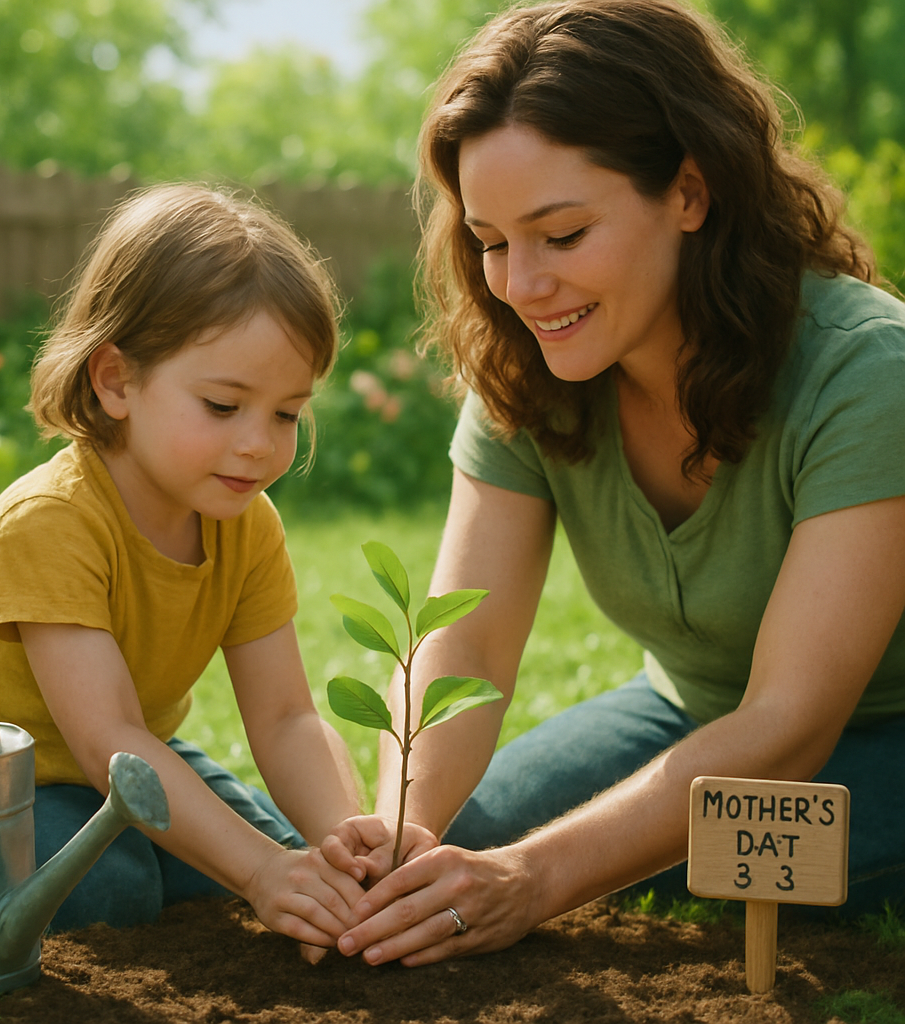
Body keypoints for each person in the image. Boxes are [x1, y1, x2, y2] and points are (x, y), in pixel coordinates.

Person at [324, 0, 905, 967]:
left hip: (877, 732)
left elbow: (789, 726)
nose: (519, 284)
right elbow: (461, 647)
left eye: (561, 234)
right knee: (470, 843)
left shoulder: (868, 374)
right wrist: (401, 835)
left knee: (645, 867)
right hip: (686, 712)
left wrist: (535, 880)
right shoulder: (529, 371)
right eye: (492, 241)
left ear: (689, 190)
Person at [0, 183, 365, 948]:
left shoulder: (246, 526)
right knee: (123, 885)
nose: (260, 443)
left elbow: (286, 718)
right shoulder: (50, 523)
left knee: (297, 861)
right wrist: (256, 874)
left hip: (131, 770)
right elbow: (106, 735)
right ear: (116, 380)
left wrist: (346, 840)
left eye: (286, 413)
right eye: (223, 406)